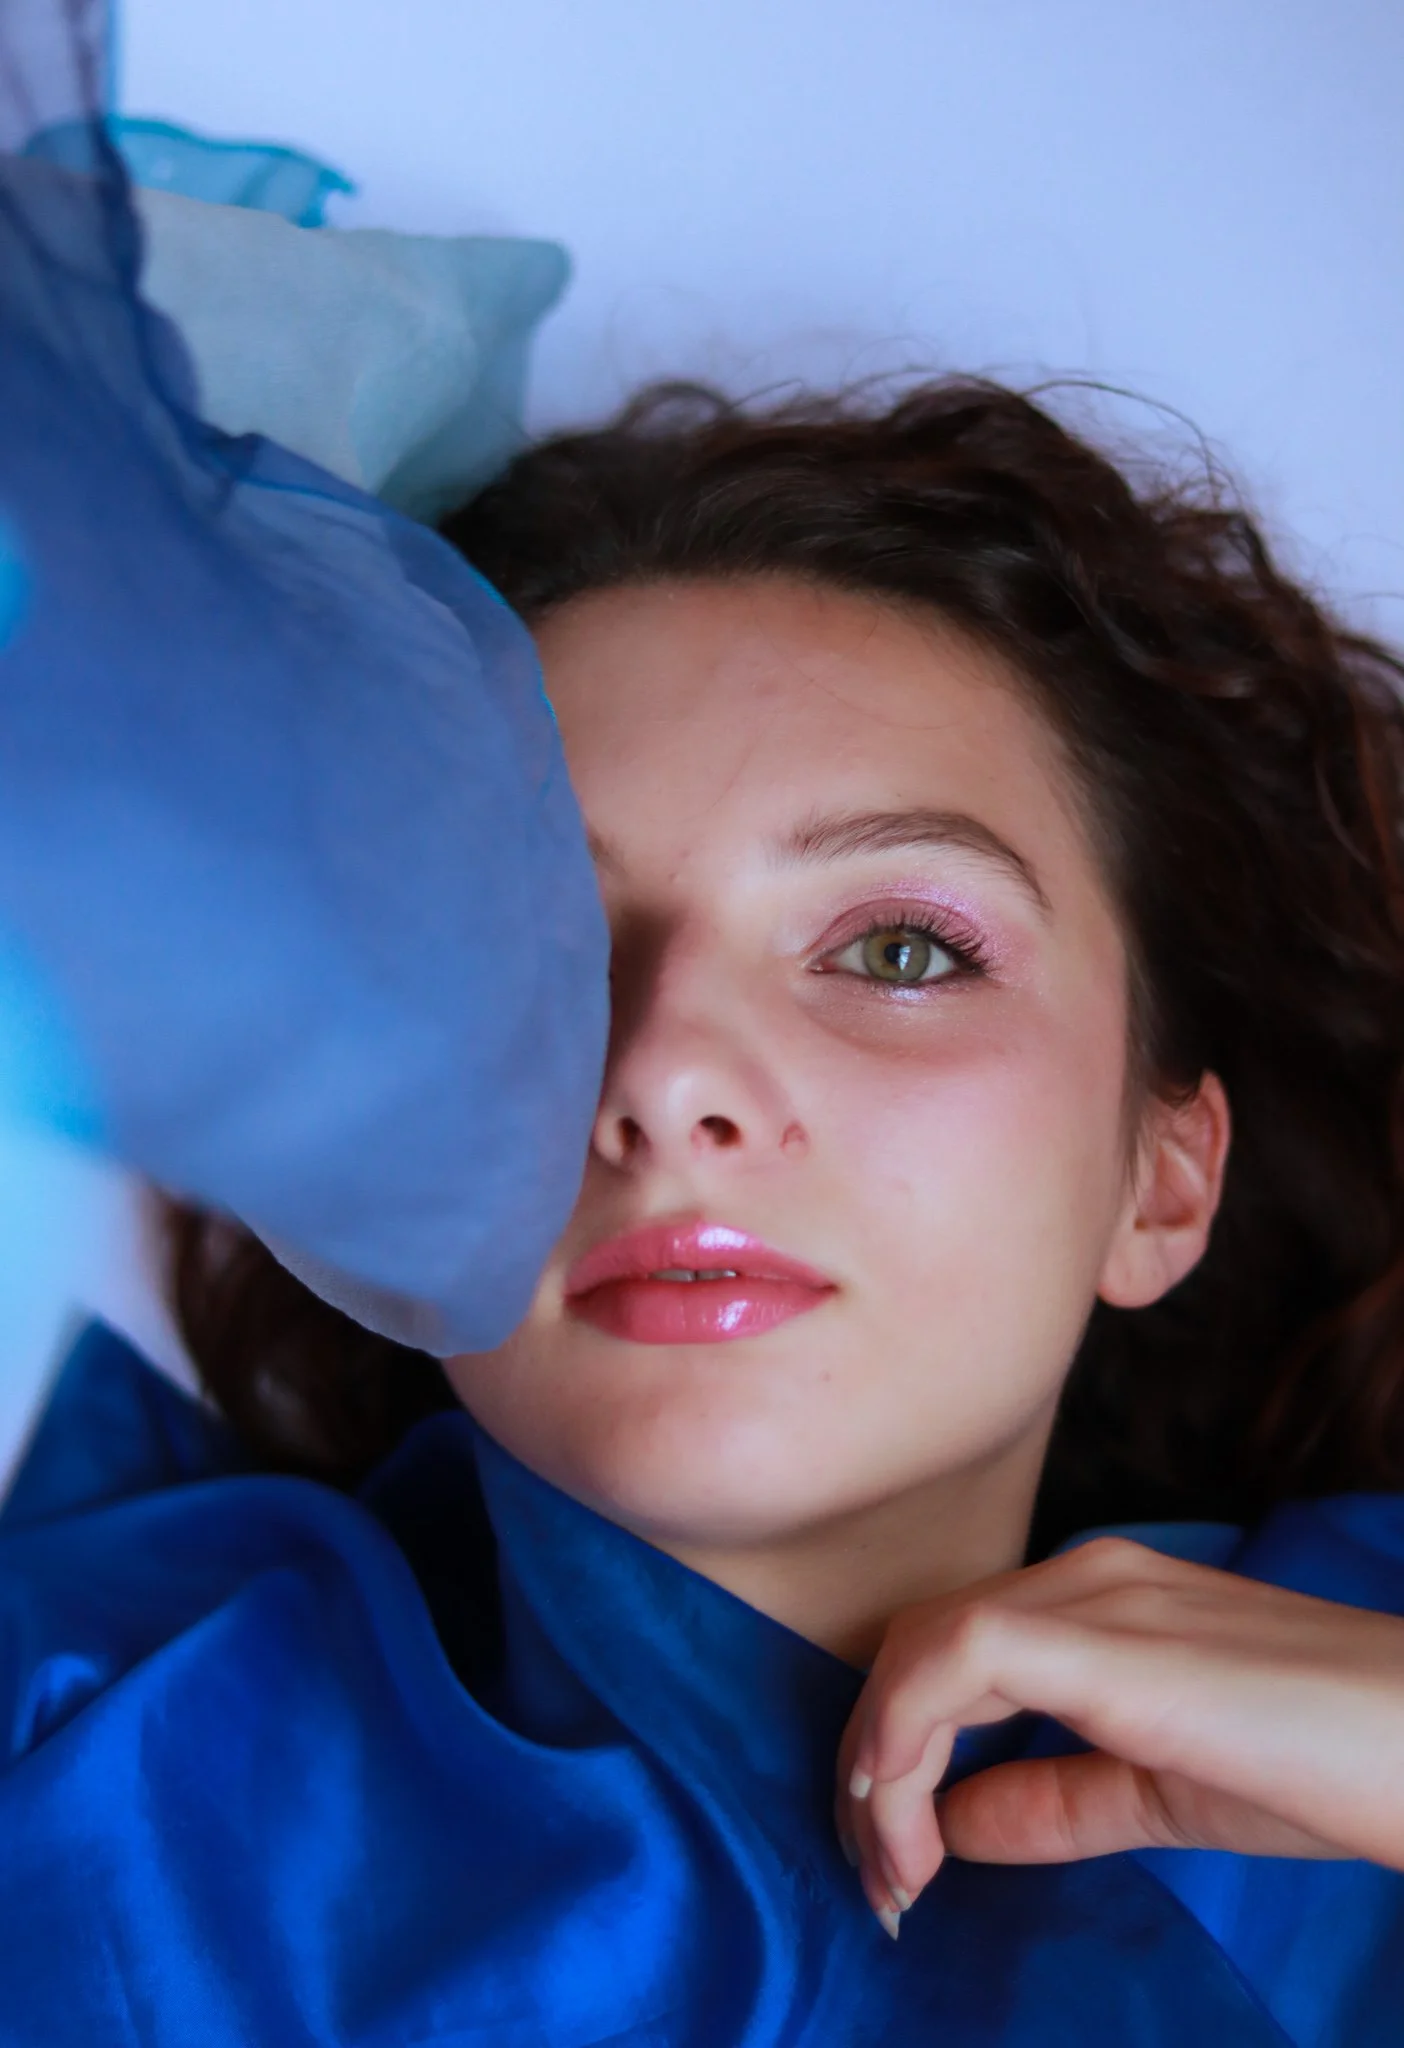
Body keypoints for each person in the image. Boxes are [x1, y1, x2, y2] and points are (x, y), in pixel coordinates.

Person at [5, 375, 1404, 2047]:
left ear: (1161, 1179)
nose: (665, 1072)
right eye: (530, 954)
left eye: (899, 951)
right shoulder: (77, 1732)